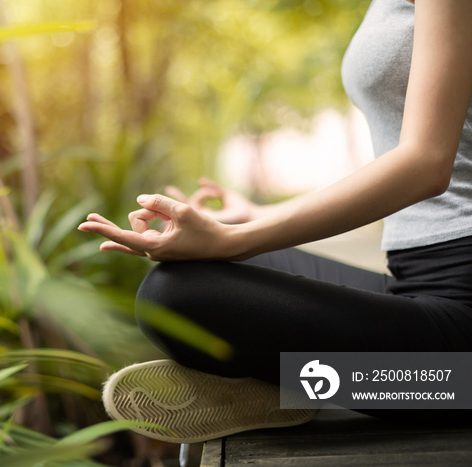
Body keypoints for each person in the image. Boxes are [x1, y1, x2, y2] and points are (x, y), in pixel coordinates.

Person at [78, 0, 472, 443]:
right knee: (190, 282)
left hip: (462, 352)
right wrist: (257, 216)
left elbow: (426, 163)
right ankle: (303, 383)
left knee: (174, 296)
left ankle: (316, 385)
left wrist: (235, 239)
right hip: (413, 284)